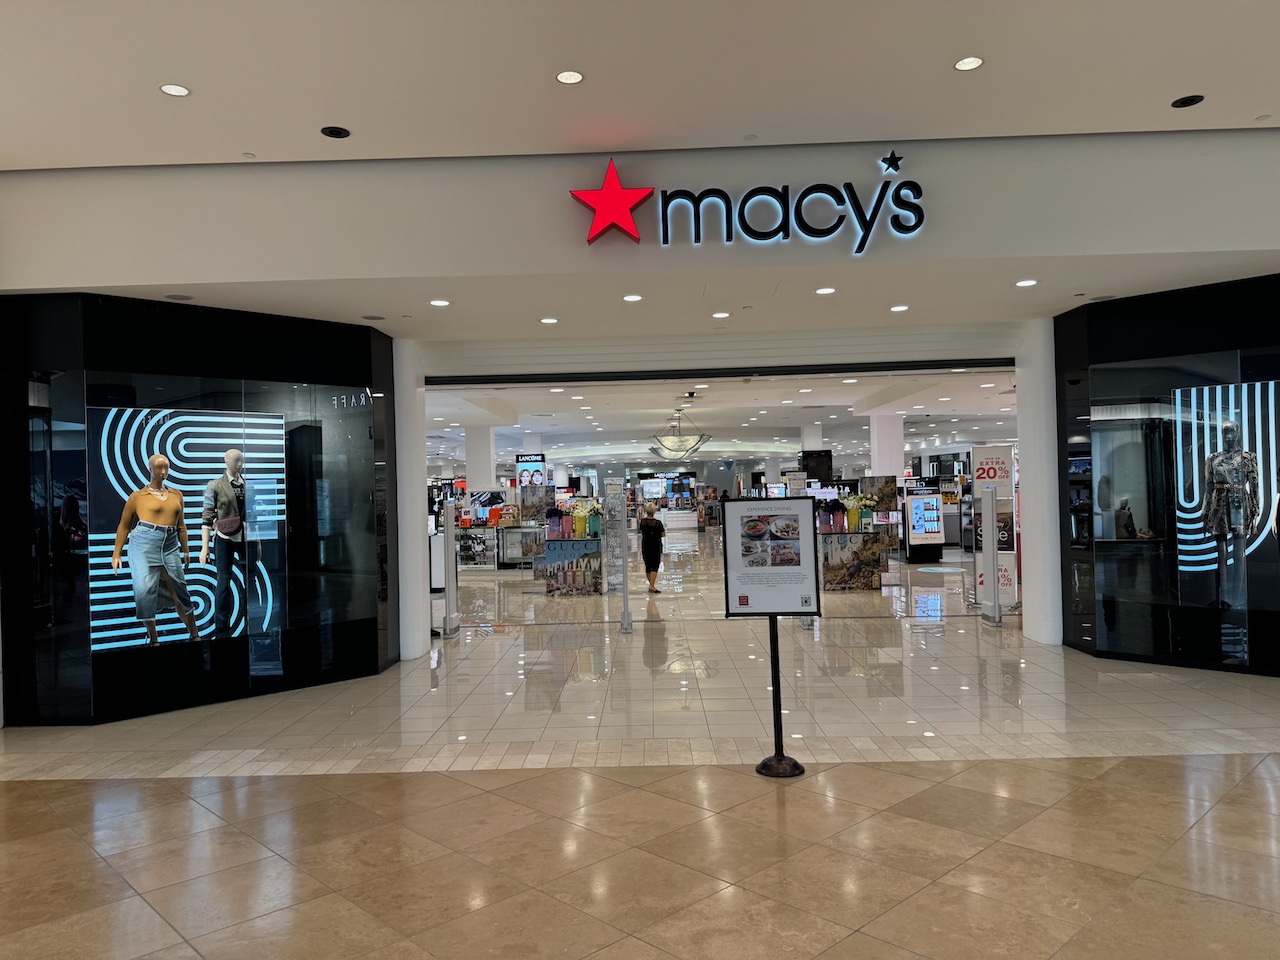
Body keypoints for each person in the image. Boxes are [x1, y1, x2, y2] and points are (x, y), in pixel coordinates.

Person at [111, 454, 200, 645]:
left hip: (170, 544)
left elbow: (181, 525)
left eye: (166, 467)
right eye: (159, 467)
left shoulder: (177, 494)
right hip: (144, 544)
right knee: (145, 591)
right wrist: (116, 553)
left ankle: (195, 635)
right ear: (150, 469)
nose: (163, 471)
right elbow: (124, 526)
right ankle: (153, 638)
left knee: (179, 589)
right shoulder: (137, 497)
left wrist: (186, 549)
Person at [200, 448, 254, 637]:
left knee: (250, 580)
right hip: (225, 537)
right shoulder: (215, 485)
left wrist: (258, 542)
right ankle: (222, 628)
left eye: (241, 460)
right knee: (223, 582)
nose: (240, 464)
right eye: (236, 460)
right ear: (226, 461)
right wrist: (205, 547)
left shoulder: (248, 485)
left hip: (246, 537)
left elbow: (253, 514)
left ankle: (251, 621)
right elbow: (207, 516)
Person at [638, 502, 666, 593]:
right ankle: (652, 585)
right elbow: (663, 534)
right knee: (654, 566)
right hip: (656, 546)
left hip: (645, 545)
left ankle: (651, 585)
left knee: (648, 566)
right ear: (654, 511)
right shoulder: (658, 523)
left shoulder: (643, 522)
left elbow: (642, 532)